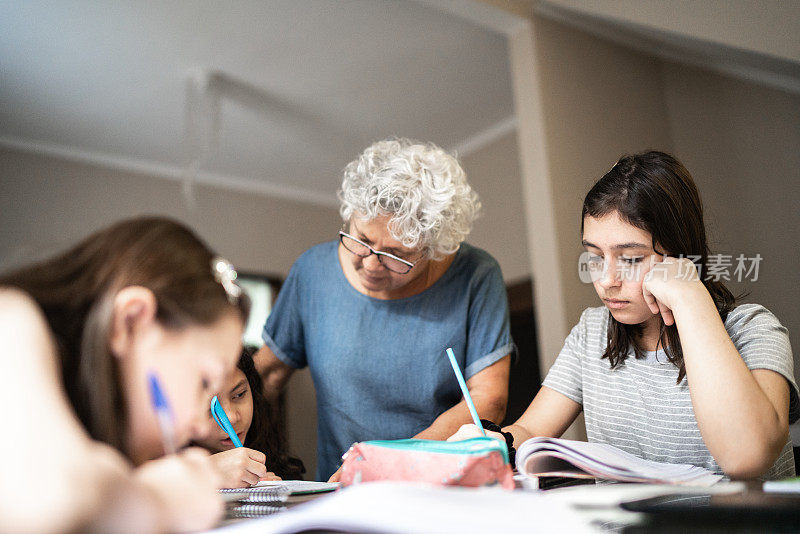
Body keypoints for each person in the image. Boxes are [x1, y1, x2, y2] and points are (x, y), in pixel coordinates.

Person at [450, 151, 798, 480]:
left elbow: (747, 457)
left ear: (680, 254)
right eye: (595, 256)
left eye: (631, 259)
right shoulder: (592, 331)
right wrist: (494, 442)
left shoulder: (753, 328)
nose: (605, 281)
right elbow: (530, 429)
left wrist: (691, 297)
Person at [254, 138, 514, 481]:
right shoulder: (312, 273)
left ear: (434, 248)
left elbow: (488, 398)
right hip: (342, 488)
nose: (372, 264)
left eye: (397, 255)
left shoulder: (475, 275)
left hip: (440, 484)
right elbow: (266, 376)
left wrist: (389, 463)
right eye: (362, 240)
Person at [0, 217, 249, 532]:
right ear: (131, 322)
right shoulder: (9, 320)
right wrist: (160, 500)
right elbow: (50, 502)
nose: (200, 426)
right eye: (202, 382)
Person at [194, 348, 305, 487]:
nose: (232, 417)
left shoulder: (273, 462)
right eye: (212, 405)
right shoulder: (161, 472)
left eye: (239, 394)